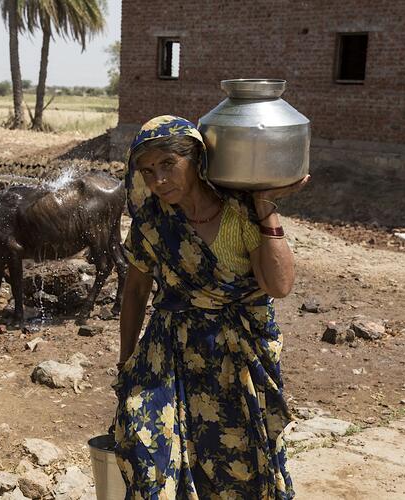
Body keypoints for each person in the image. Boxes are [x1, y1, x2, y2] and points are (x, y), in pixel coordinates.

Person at [114, 115, 308, 499]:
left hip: (235, 356)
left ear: (196, 160)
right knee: (147, 445)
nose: (158, 180)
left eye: (168, 164)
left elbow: (279, 285)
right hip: (170, 351)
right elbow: (135, 292)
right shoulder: (151, 222)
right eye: (148, 171)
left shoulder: (240, 212)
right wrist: (126, 362)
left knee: (237, 462)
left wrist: (266, 207)